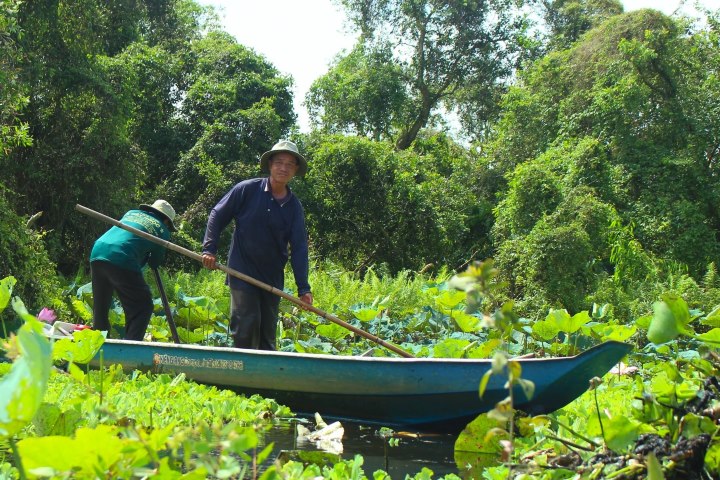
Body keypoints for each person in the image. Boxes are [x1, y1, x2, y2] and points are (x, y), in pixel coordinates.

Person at [201, 139, 313, 350]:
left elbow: (299, 248)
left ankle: (265, 379)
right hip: (242, 271)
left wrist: (303, 288)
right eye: (279, 162)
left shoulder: (294, 207)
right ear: (270, 164)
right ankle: (240, 378)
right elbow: (217, 214)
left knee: (267, 336)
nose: (283, 168)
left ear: (295, 170)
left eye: (290, 164)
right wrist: (209, 249)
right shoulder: (247, 190)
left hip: (271, 278)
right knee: (245, 327)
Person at [90, 199, 177, 341]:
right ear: (167, 220)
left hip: (98, 251)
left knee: (101, 308)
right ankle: (130, 350)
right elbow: (156, 262)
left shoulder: (131, 213)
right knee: (143, 307)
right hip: (122, 256)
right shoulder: (162, 230)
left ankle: (97, 348)